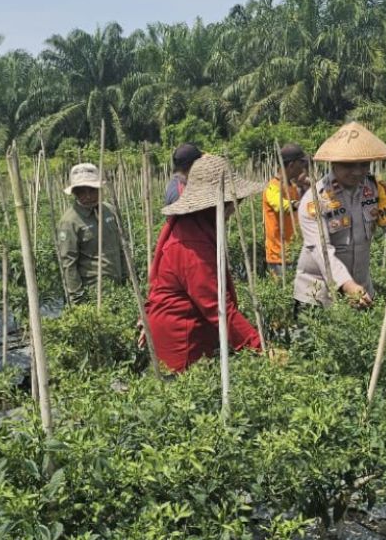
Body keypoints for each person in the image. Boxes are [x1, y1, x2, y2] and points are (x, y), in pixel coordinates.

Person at [146, 154, 263, 372]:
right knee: (185, 396)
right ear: (218, 203)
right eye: (234, 203)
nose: (235, 208)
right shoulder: (191, 241)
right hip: (181, 340)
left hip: (189, 330)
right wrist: (260, 348)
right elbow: (216, 305)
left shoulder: (196, 226)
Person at [294, 122, 386, 309]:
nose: (357, 171)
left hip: (361, 290)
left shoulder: (375, 189)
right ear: (334, 163)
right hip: (317, 295)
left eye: (364, 165)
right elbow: (322, 252)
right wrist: (347, 286)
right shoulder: (315, 199)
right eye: (349, 165)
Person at [56, 162, 127, 303]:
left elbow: (123, 247)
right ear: (74, 193)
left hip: (120, 290)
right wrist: (78, 298)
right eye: (82, 191)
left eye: (92, 190)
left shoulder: (109, 210)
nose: (88, 196)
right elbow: (69, 264)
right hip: (94, 295)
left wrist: (128, 278)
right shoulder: (70, 221)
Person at [263, 144, 310, 276]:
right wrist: (297, 204)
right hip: (279, 256)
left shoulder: (293, 186)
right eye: (301, 163)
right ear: (291, 165)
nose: (302, 167)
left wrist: (307, 185)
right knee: (283, 293)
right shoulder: (273, 186)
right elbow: (279, 205)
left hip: (294, 252)